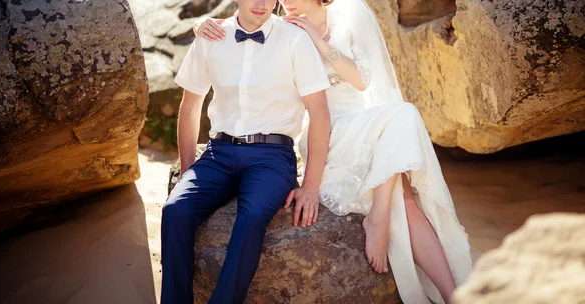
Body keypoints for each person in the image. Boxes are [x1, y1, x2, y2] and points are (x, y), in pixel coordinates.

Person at [193, 0, 472, 303]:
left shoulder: (349, 13)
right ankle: (379, 220)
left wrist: (316, 38)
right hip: (323, 131)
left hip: (365, 122)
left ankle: (452, 294)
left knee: (404, 197)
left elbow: (363, 81)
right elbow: (241, 27)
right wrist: (199, 26)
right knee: (402, 125)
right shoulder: (282, 28)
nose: (285, 1)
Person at [161, 0, 332, 302]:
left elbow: (319, 112)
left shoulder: (295, 40)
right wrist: (187, 171)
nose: (261, 3)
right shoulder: (212, 36)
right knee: (175, 210)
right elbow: (190, 108)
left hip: (272, 157)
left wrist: (310, 187)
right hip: (219, 153)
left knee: (251, 217)